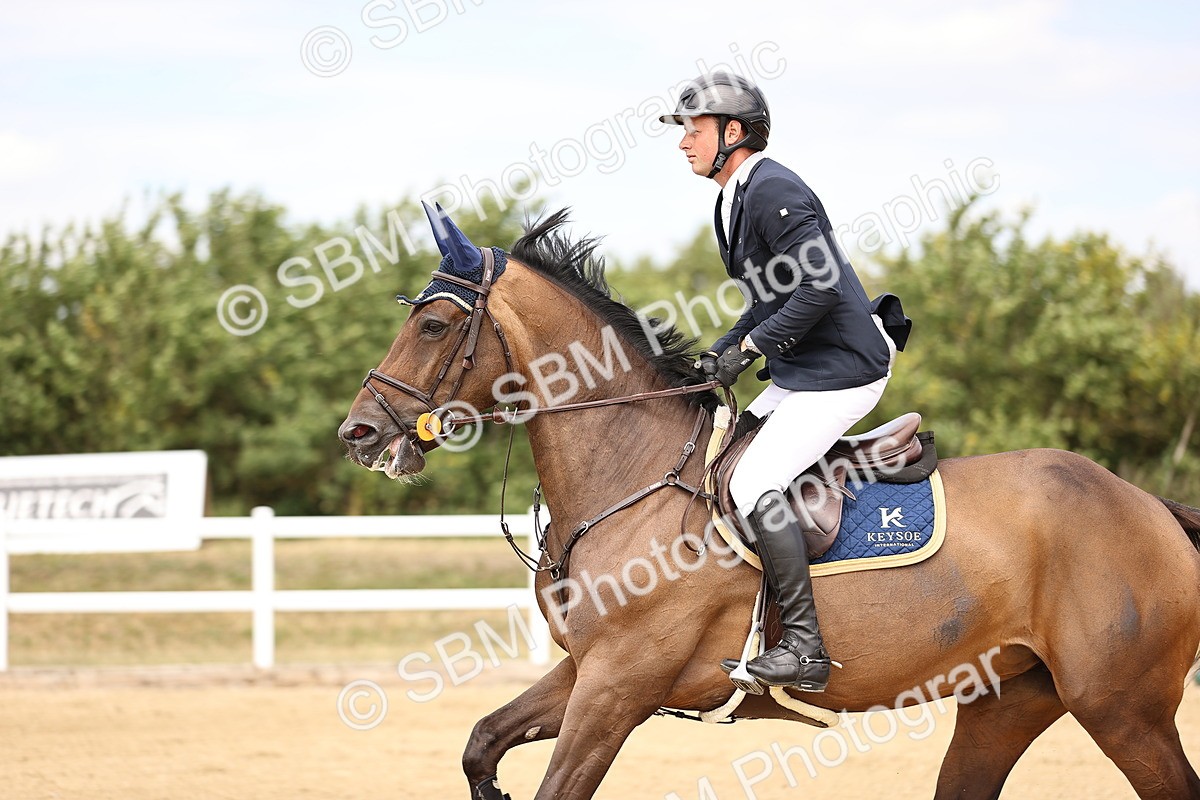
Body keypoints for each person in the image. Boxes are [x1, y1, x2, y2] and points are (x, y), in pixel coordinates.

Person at [660, 72, 904, 693]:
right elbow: (770, 297)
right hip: (804, 372)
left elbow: (818, 288)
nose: (684, 142)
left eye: (694, 129)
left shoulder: (774, 188)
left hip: (844, 370)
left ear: (732, 132)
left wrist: (751, 347)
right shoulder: (732, 200)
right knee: (722, 453)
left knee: (753, 478)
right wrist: (722, 349)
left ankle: (803, 645)